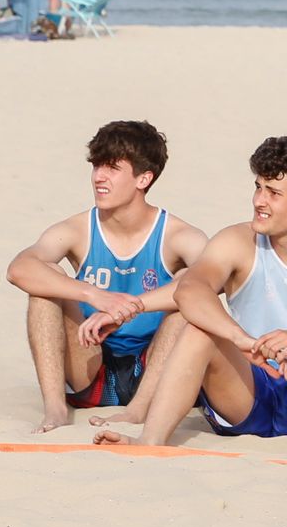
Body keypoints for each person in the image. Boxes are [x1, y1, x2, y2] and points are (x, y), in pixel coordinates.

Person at [4, 120, 208, 432]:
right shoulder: (77, 229)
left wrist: (129, 307)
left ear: (143, 178)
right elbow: (18, 269)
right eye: (97, 165)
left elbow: (211, 282)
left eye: (112, 168)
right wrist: (94, 295)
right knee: (45, 283)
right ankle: (55, 410)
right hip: (90, 366)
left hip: (154, 373)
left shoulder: (179, 235)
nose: (99, 176)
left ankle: (137, 411)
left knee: (189, 295)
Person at [95, 137, 287, 447]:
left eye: (273, 193)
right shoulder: (239, 241)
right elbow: (190, 290)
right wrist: (240, 338)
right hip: (253, 388)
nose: (259, 201)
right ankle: (150, 442)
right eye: (258, 187)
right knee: (199, 329)